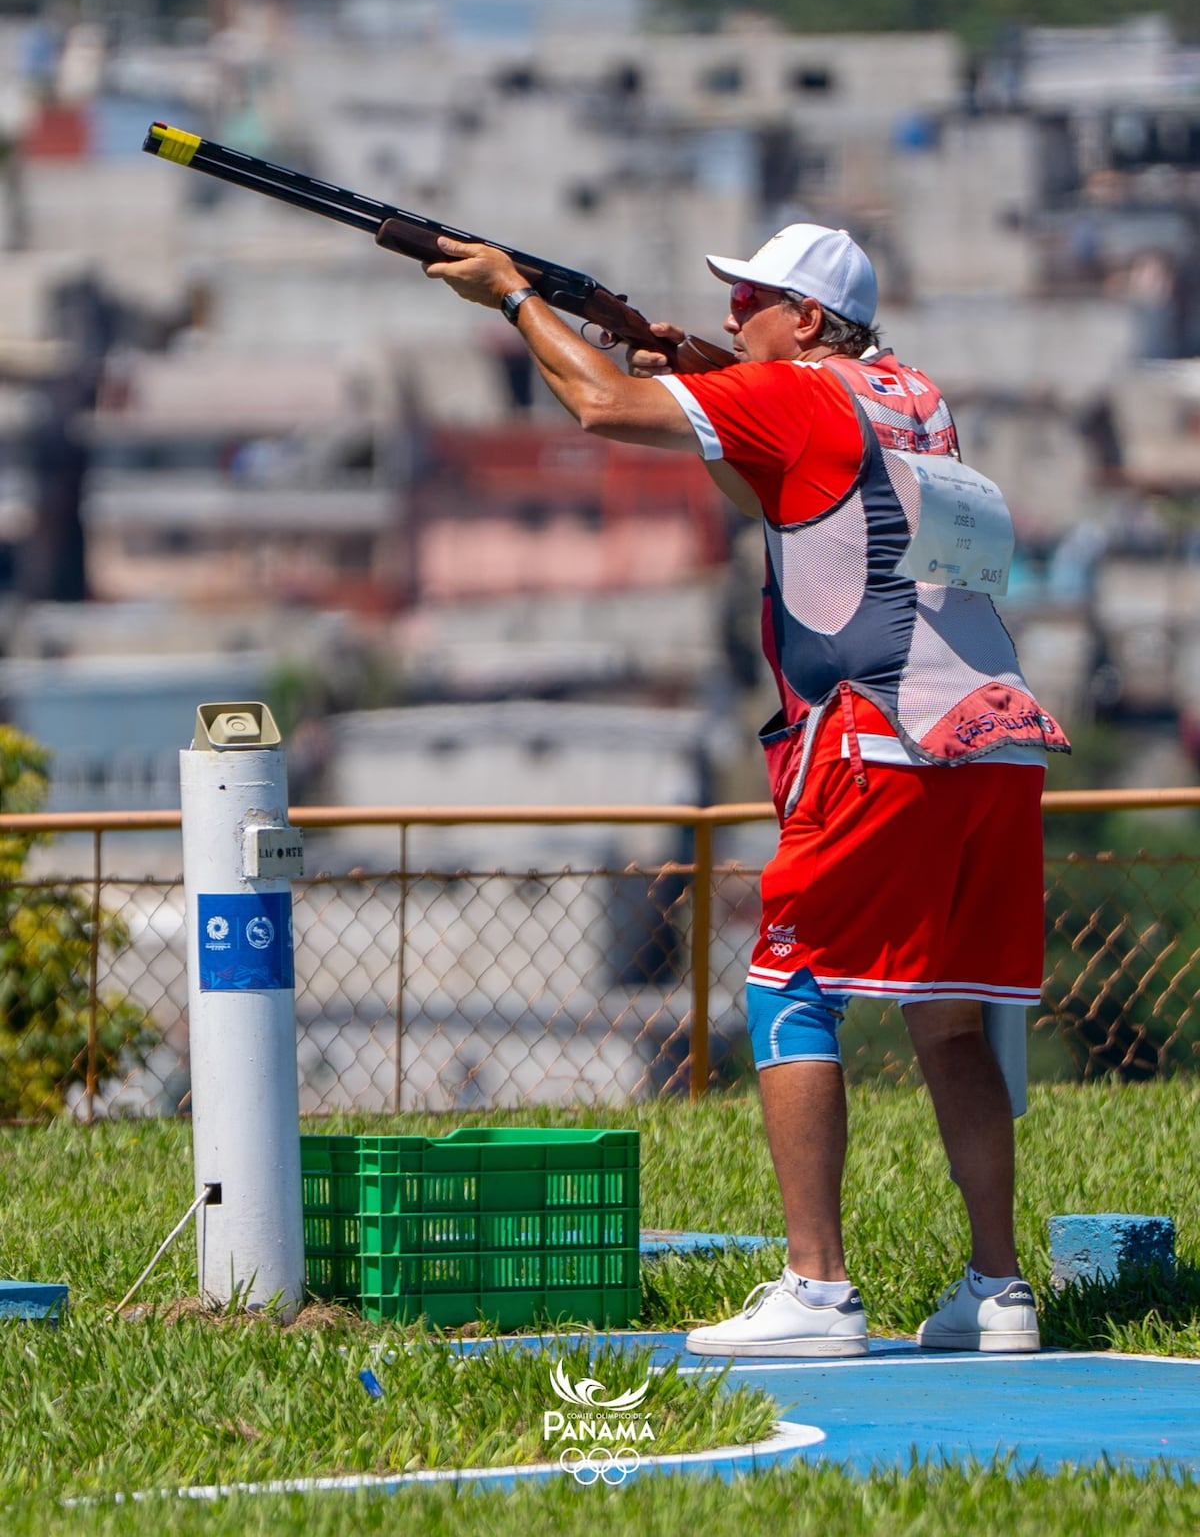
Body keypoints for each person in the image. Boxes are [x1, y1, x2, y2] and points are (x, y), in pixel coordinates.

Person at [415, 220, 1069, 1357]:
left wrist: (515, 298)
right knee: (949, 1015)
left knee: (789, 987)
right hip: (993, 739)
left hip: (878, 738)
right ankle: (997, 1289)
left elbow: (600, 407)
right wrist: (707, 380)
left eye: (752, 300)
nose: (731, 315)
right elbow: (785, 493)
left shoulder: (797, 393)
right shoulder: (911, 396)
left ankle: (818, 1291)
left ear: (806, 320)